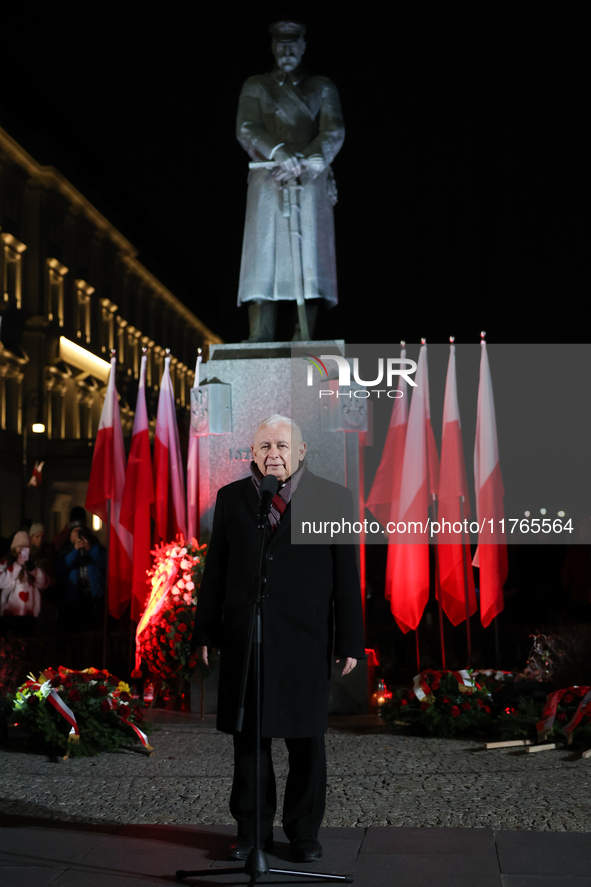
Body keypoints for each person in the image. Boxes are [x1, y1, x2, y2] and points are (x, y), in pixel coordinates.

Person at [191, 415, 364, 862]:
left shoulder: (332, 499)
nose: (274, 454)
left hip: (303, 641)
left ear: (301, 451)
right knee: (249, 740)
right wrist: (205, 630)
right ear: (252, 452)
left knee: (306, 741)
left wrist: (350, 640)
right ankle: (252, 832)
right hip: (247, 640)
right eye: (265, 446)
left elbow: (347, 575)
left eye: (283, 446)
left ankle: (303, 833)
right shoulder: (232, 499)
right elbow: (217, 574)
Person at [237, 21, 345, 342]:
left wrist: (307, 159)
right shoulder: (255, 86)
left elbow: (334, 130)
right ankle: (260, 332)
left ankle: (305, 332)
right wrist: (279, 152)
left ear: (302, 47)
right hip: (268, 174)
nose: (286, 51)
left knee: (309, 257)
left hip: (310, 179)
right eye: (281, 45)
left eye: (292, 44)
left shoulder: (322, 87)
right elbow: (246, 127)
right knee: (263, 256)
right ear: (273, 47)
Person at [0, 530, 50, 637]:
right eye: (20, 547)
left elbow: (44, 583)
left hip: (29, 617)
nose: (22, 551)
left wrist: (33, 569)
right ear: (13, 548)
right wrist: (17, 565)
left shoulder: (33, 564)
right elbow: (1, 582)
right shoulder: (5, 564)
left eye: (26, 547)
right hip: (9, 616)